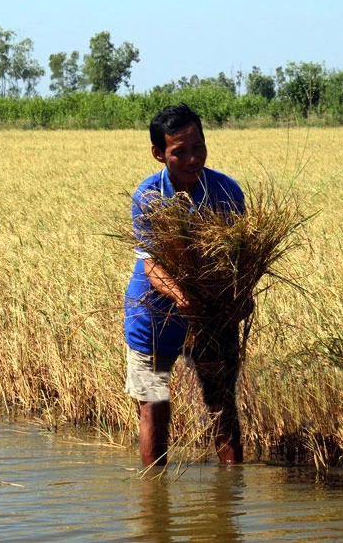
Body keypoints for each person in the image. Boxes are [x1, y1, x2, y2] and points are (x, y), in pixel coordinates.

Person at [124, 103, 246, 466]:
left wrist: (241, 297)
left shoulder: (227, 192)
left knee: (221, 404)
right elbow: (151, 264)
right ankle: (154, 505)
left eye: (199, 147)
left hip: (212, 313)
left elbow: (238, 260)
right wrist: (181, 296)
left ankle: (230, 500)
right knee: (153, 404)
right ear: (159, 154)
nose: (193, 159)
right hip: (153, 315)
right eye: (180, 152)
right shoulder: (149, 197)